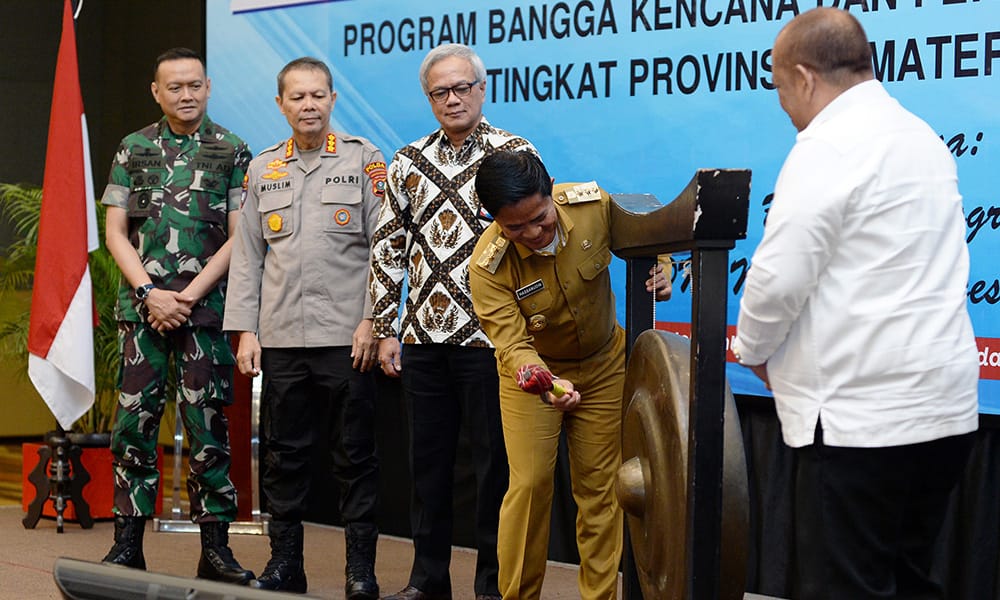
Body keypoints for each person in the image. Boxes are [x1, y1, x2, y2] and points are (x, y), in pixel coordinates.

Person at [732, 8, 979, 599]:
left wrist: (755, 349)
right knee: (910, 578)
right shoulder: (921, 137)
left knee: (847, 586)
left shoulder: (828, 147)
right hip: (944, 410)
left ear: (804, 76)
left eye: (780, 88)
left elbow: (778, 276)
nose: (785, 105)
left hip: (861, 419)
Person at [370, 43, 536, 600]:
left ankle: (491, 585)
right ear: (428, 98)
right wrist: (383, 324)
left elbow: (538, 235)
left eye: (462, 87)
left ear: (482, 89)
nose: (452, 99)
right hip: (421, 337)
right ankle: (428, 580)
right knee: (428, 467)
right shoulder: (408, 161)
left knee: (494, 469)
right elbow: (388, 245)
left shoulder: (512, 153)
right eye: (440, 91)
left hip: (492, 339)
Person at [468, 151, 671, 600]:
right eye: (515, 228)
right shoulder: (488, 266)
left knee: (602, 491)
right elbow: (514, 345)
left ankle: (599, 597)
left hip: (603, 366)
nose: (534, 234)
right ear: (492, 219)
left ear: (552, 189)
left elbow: (649, 237)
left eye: (540, 218)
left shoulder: (592, 205)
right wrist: (545, 382)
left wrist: (663, 267)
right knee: (531, 485)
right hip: (534, 378)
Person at [224, 57, 384, 599]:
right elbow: (247, 257)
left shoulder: (364, 161)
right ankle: (285, 564)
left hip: (348, 338)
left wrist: (374, 322)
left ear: (333, 99)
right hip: (283, 338)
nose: (308, 105)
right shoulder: (263, 169)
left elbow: (386, 250)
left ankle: (360, 572)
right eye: (297, 97)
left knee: (355, 457)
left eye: (318, 95)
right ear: (281, 105)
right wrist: (246, 330)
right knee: (283, 457)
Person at [100, 47, 254, 585]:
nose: (186, 95)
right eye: (175, 87)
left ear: (208, 86)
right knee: (133, 426)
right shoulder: (133, 147)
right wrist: (149, 293)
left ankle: (215, 549)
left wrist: (186, 297)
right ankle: (127, 545)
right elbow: (115, 232)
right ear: (156, 91)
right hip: (143, 312)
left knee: (208, 427)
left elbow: (241, 238)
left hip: (205, 311)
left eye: (194, 86)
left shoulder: (233, 148)